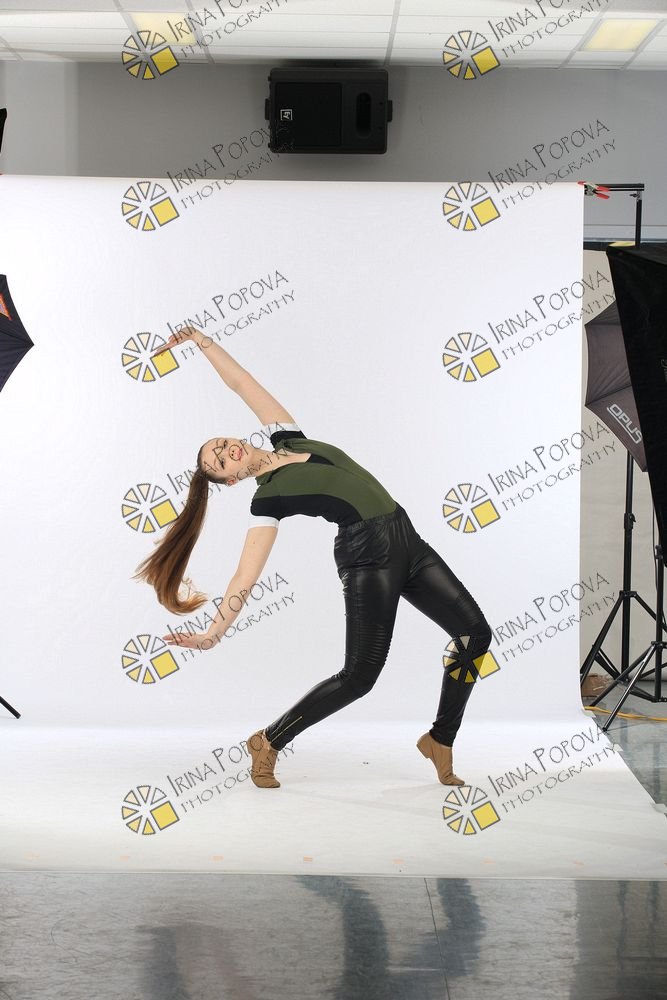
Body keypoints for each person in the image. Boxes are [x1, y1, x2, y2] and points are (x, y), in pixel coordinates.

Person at [133, 327, 493, 790]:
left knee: (474, 634)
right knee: (360, 677)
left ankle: (440, 739)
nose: (226, 451)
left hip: (407, 540)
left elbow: (241, 382)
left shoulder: (289, 439)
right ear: (232, 480)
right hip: (367, 558)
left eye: (221, 444)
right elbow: (245, 574)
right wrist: (213, 634)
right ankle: (268, 740)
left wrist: (200, 341)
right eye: (221, 463)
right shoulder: (267, 499)